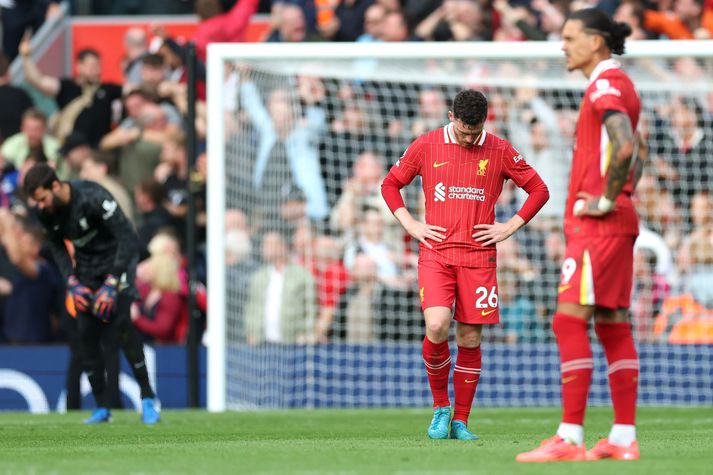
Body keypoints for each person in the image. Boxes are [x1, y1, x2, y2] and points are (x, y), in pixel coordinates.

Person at [380, 89, 549, 440]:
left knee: (470, 337)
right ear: (450, 117)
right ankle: (440, 406)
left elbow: (539, 189)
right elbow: (391, 184)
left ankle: (461, 420)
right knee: (438, 325)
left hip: (479, 258)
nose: (470, 138)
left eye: (476, 132)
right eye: (463, 131)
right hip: (436, 253)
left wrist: (510, 226)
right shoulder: (426, 145)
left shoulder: (500, 149)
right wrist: (410, 224)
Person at [516, 9, 643, 462]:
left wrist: (607, 199)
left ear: (596, 42)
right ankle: (622, 438)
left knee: (568, 320)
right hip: (617, 222)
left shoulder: (605, 86)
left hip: (598, 225)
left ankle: (569, 438)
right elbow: (638, 153)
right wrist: (623, 195)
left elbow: (626, 145)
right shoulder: (621, 84)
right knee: (611, 325)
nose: (562, 45)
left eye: (570, 37)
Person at [23, 163, 160, 424]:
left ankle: (148, 398)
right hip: (86, 269)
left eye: (42, 198)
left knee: (121, 325)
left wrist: (111, 283)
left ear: (55, 185)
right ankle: (102, 407)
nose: (40, 205)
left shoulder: (93, 196)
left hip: (119, 262)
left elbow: (128, 237)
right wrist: (72, 282)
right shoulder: (45, 212)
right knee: (85, 333)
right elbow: (58, 249)